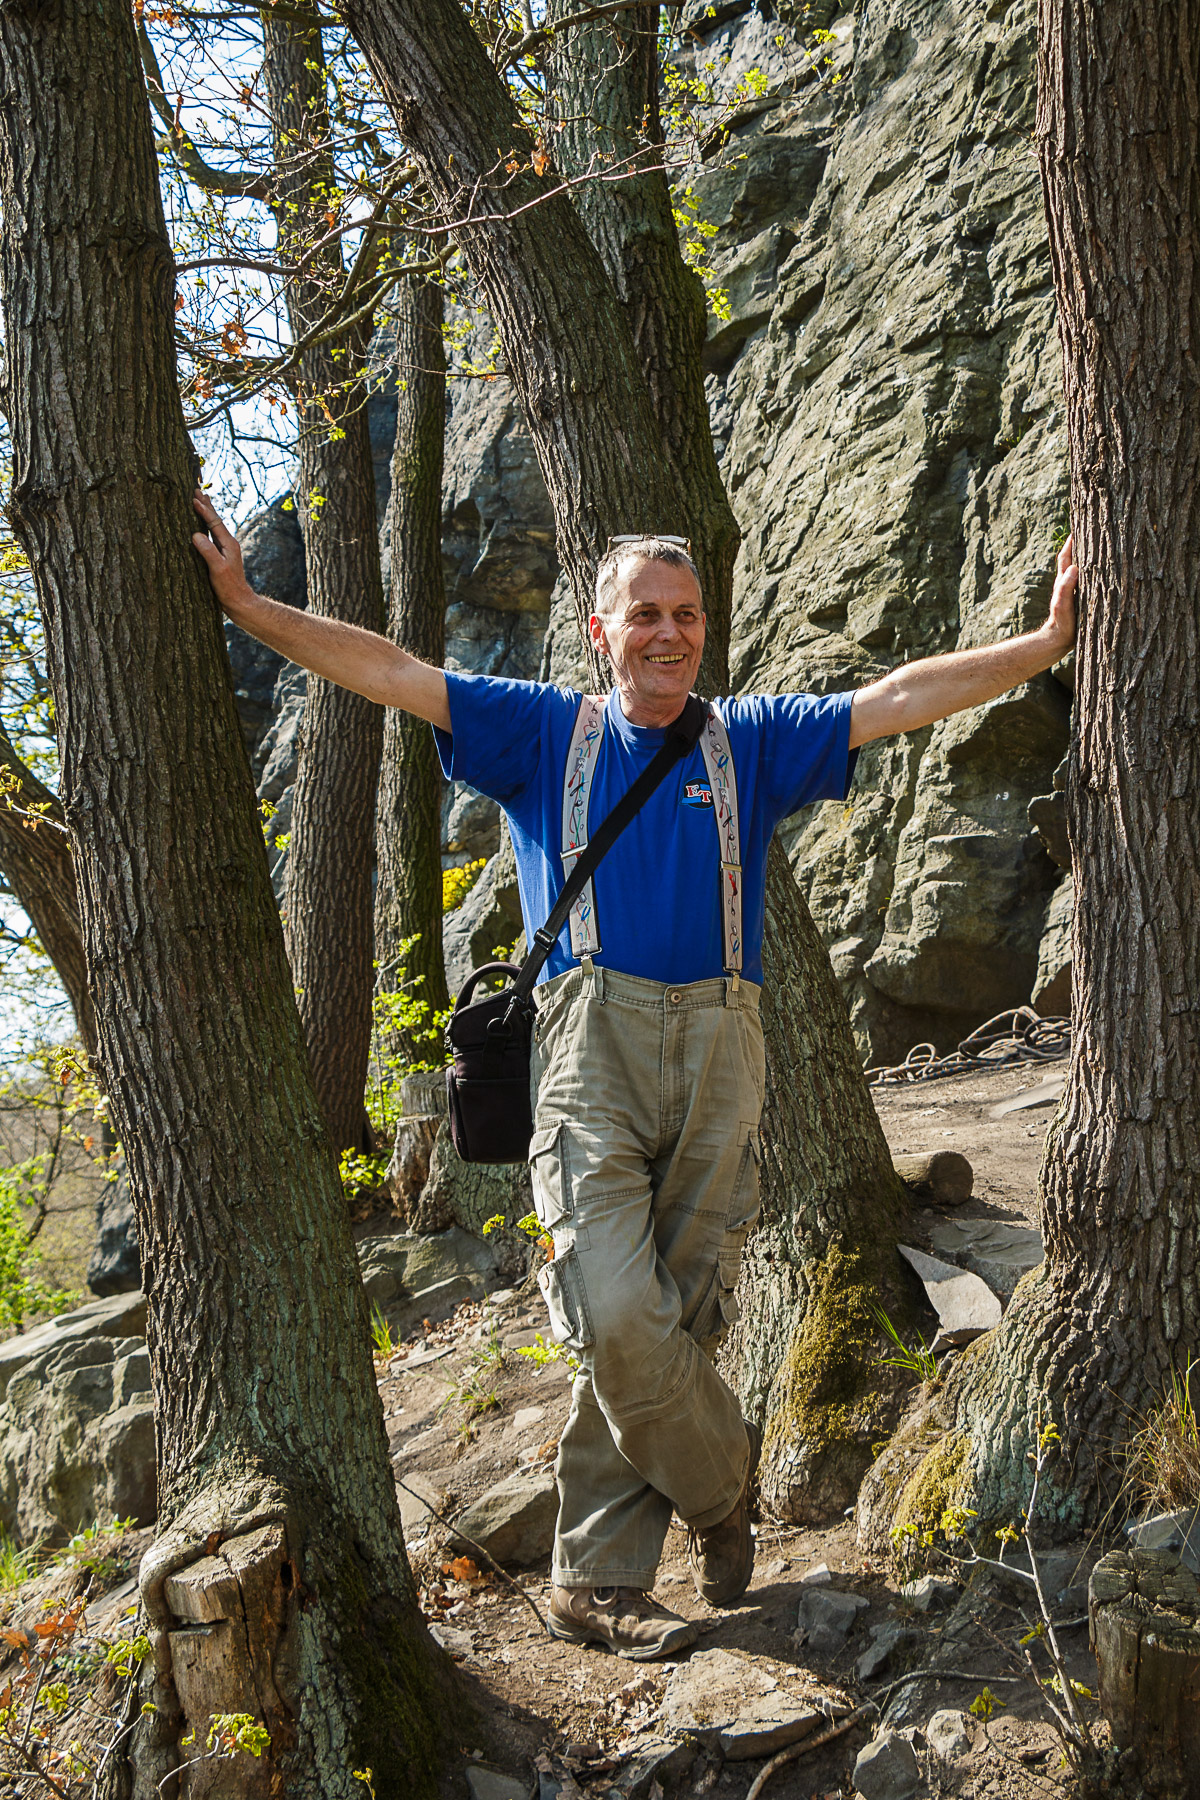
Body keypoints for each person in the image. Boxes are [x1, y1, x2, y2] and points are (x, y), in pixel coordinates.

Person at [192, 492, 1078, 1660]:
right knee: (615, 1313)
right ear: (599, 631)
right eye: (645, 614)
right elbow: (392, 672)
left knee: (679, 1317)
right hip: (587, 1053)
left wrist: (1045, 644)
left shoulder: (749, 739)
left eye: (687, 614)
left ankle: (597, 1582)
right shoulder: (537, 731)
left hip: (723, 1047)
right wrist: (249, 607)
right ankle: (722, 1486)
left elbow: (900, 697)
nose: (670, 632)